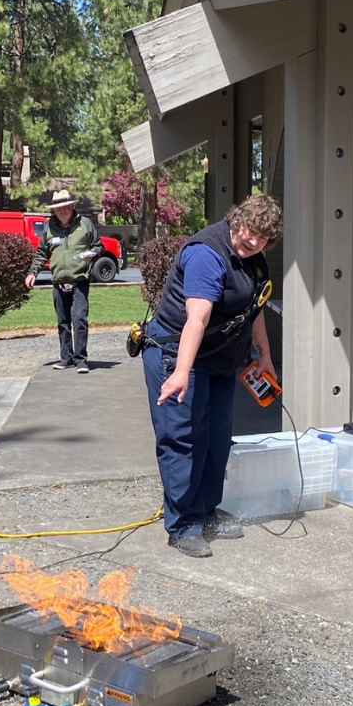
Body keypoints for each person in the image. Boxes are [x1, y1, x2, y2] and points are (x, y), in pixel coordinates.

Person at [141, 194, 283, 558]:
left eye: (263, 238)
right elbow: (197, 319)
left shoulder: (253, 258)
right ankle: (182, 524)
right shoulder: (207, 253)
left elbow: (255, 309)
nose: (253, 241)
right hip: (178, 354)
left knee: (216, 439)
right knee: (182, 440)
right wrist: (181, 373)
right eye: (249, 231)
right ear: (236, 220)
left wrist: (264, 355)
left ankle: (206, 510)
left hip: (220, 360)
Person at [25, 189, 102, 373]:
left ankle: (81, 360)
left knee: (80, 320)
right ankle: (66, 357)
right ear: (54, 210)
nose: (62, 210)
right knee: (63, 322)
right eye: (58, 208)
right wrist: (32, 272)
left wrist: (92, 255)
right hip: (58, 281)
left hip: (80, 281)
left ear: (71, 206)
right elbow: (42, 253)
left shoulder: (85, 224)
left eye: (65, 206)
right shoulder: (49, 228)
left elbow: (99, 246)